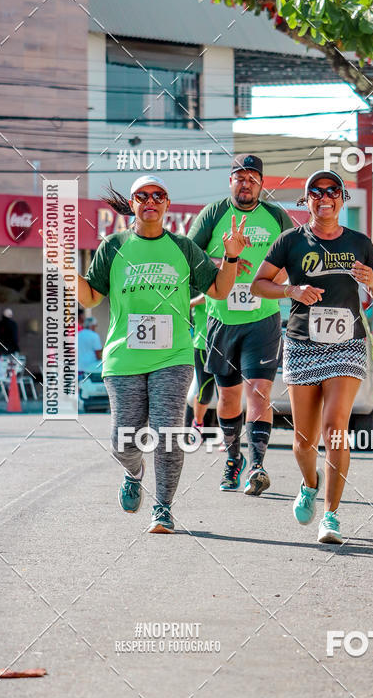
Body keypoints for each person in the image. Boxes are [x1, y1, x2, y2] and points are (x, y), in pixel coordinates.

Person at [44, 174, 245, 534]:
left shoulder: (183, 248)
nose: (151, 200)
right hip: (124, 358)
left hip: (174, 355)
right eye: (142, 195)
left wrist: (231, 257)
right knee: (124, 440)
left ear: (167, 205)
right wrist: (63, 266)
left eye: (159, 195)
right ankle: (133, 472)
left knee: (167, 433)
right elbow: (91, 297)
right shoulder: (114, 246)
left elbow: (218, 290)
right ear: (133, 204)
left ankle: (163, 507)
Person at [251, 170, 373, 544]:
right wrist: (292, 290)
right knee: (304, 441)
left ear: (342, 199)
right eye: (316, 191)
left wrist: (369, 281)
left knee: (335, 429)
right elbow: (258, 284)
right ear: (307, 200)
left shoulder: (360, 242)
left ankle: (331, 516)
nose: (324, 197)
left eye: (332, 191)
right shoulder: (290, 241)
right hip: (302, 343)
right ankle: (310, 483)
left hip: (347, 342)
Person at [188, 154, 293, 496]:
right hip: (221, 319)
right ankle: (233, 459)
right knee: (229, 397)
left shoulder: (276, 215)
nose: (246, 183)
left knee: (259, 392)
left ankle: (258, 465)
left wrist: (276, 276)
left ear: (262, 184)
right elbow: (191, 254)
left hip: (263, 319)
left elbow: (294, 256)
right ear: (230, 181)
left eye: (252, 178)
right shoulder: (214, 214)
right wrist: (227, 261)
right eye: (239, 177)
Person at [189, 294, 216, 436]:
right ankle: (197, 424)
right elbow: (186, 304)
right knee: (204, 393)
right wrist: (202, 298)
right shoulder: (198, 287)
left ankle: (229, 436)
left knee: (228, 393)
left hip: (226, 345)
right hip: (202, 346)